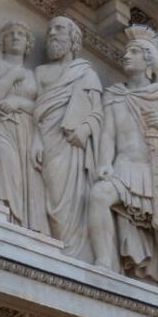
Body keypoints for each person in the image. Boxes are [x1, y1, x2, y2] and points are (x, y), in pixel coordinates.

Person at [87, 25, 158, 296]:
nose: (127, 56)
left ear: (149, 61)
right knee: (99, 195)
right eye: (127, 51)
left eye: (135, 52)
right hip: (124, 168)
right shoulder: (115, 95)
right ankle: (103, 264)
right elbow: (108, 134)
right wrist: (104, 163)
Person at [32, 16, 101, 259]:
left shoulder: (86, 74)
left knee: (73, 201)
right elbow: (33, 110)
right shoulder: (40, 72)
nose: (52, 33)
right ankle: (57, 252)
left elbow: (97, 113)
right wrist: (35, 137)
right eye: (50, 30)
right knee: (51, 197)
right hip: (46, 140)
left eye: (59, 29)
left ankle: (71, 255)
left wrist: (85, 129)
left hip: (73, 146)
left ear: (73, 39)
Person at [0, 22, 47, 233]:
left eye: (21, 34)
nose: (15, 37)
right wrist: (12, 75)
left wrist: (18, 102)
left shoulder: (34, 75)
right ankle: (4, 216)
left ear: (28, 44)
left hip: (28, 131)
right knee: (4, 159)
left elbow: (43, 108)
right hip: (0, 126)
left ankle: (22, 227)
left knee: (28, 180)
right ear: (2, 41)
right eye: (10, 34)